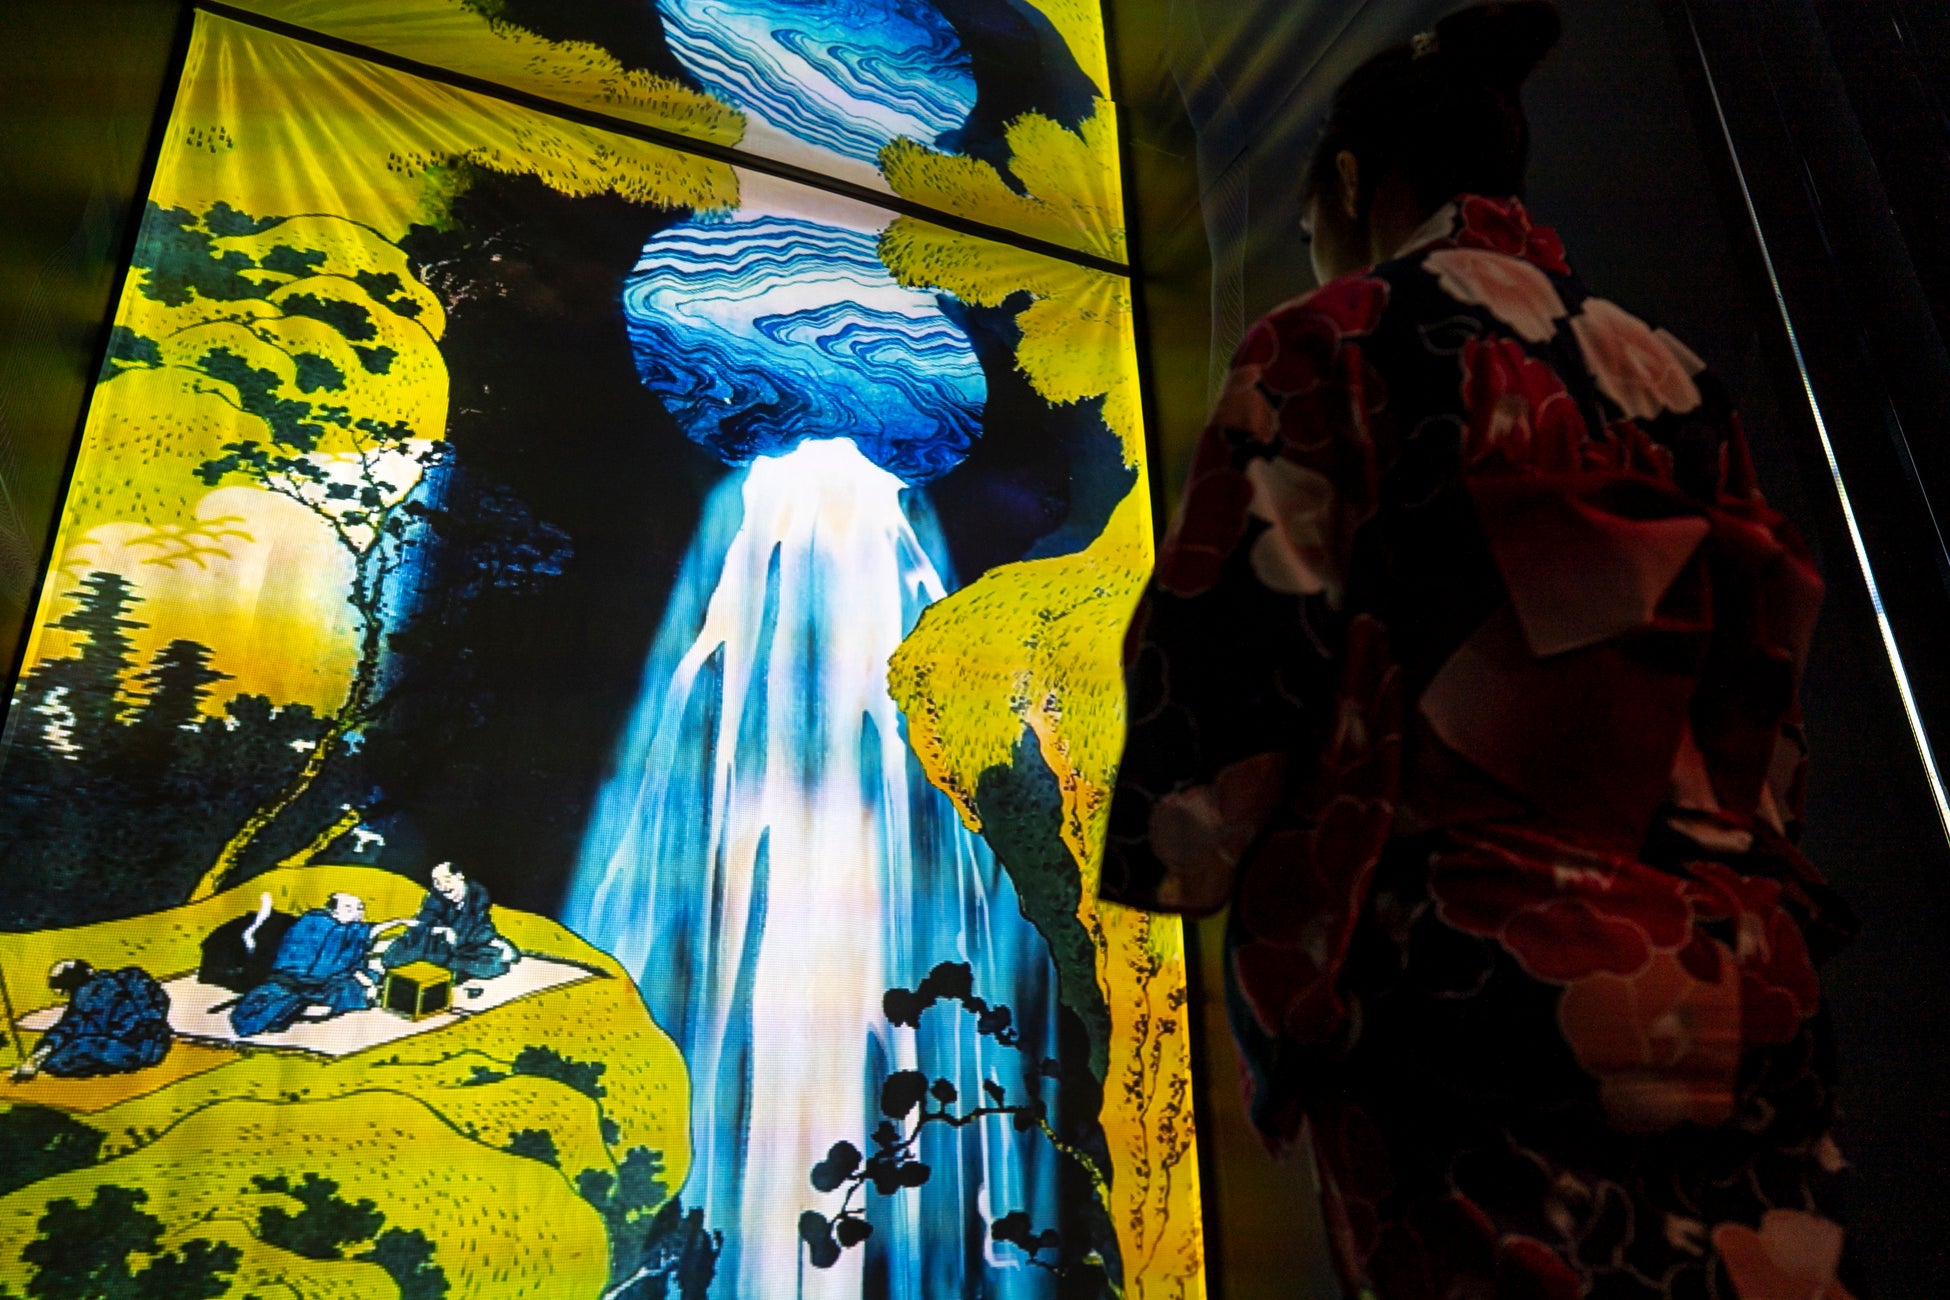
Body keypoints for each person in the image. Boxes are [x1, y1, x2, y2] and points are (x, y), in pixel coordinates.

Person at [1102, 3, 1859, 1297]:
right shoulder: (1679, 378)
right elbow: (1763, 707)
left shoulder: (1335, 335)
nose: (1309, 253)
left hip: (1470, 977)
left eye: (1308, 225)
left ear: (1349, 185)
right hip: (1728, 976)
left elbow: (1227, 668)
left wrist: (1186, 850)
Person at [230, 892, 378, 1037]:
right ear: (333, 910)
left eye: (360, 908)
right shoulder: (314, 923)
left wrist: (366, 982)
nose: (357, 912)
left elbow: (350, 964)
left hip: (323, 985)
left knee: (353, 994)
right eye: (348, 907)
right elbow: (310, 965)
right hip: (292, 981)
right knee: (255, 1015)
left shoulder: (356, 931)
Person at [11, 960, 171, 1080]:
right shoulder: (127, 978)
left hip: (132, 1050)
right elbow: (160, 1002)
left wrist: (39, 1055)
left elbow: (68, 1028)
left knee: (59, 1060)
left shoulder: (86, 996)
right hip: (157, 1044)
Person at [376, 862, 518, 984]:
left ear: (460, 876)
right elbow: (425, 919)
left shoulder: (478, 894)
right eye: (437, 882)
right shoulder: (436, 895)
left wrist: (491, 941)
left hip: (466, 943)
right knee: (395, 958)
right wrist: (442, 930)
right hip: (436, 943)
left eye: (447, 879)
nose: (443, 886)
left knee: (492, 964)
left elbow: (478, 924)